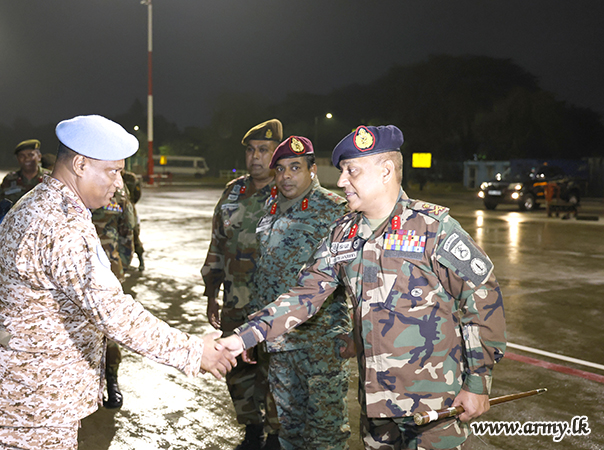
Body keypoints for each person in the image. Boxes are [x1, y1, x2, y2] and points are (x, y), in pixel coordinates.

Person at [220, 125, 507, 450]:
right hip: (376, 408)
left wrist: (477, 382)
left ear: (386, 172)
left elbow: (483, 299)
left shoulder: (433, 229)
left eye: (351, 171)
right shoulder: (343, 234)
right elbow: (304, 295)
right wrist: (245, 336)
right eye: (343, 171)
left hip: (434, 406)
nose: (342, 181)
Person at [0, 115, 236, 450]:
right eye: (113, 171)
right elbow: (113, 312)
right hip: (34, 401)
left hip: (27, 392)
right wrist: (194, 352)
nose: (119, 184)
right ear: (80, 164)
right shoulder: (61, 225)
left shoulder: (40, 202)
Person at [251, 136, 352, 449]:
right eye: (280, 169)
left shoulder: (335, 210)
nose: (286, 176)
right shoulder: (270, 207)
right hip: (278, 343)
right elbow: (264, 271)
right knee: (289, 429)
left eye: (295, 167)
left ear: (313, 169)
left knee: (326, 433)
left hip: (319, 343)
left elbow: (357, 277)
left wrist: (357, 332)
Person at [201, 118, 282, 449]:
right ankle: (252, 428)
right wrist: (211, 293)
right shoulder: (232, 192)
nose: (255, 157)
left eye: (263, 150)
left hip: (276, 306)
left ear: (277, 153)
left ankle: (276, 435)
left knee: (275, 370)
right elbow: (217, 244)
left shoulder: (288, 192)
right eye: (250, 150)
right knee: (237, 372)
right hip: (236, 301)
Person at [91, 184, 136, 409]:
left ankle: (111, 379)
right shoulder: (71, 185)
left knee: (109, 327)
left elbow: (128, 231)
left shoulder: (119, 192)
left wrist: (121, 266)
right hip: (74, 269)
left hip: (109, 269)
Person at [0, 139, 51, 205]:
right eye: (22, 156)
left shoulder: (51, 178)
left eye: (30, 155)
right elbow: (1, 207)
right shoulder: (9, 180)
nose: (26, 159)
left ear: (39, 157)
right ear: (17, 159)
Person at [120, 170, 145, 271]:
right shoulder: (111, 175)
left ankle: (140, 259)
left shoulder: (130, 178)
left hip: (128, 209)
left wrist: (130, 203)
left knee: (133, 234)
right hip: (114, 209)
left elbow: (137, 194)